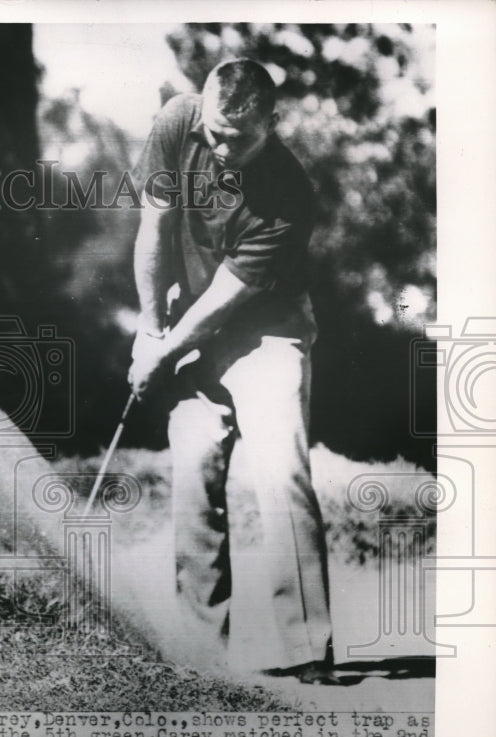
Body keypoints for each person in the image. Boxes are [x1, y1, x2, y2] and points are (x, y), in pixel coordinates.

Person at [127, 58, 339, 684]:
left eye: (238, 139)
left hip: (266, 331)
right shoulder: (177, 121)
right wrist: (147, 329)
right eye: (214, 132)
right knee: (194, 463)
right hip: (187, 320)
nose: (221, 148)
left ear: (272, 124)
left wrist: (163, 356)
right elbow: (154, 226)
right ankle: (202, 654)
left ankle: (305, 648)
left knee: (279, 468)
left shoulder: (290, 195)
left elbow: (229, 295)